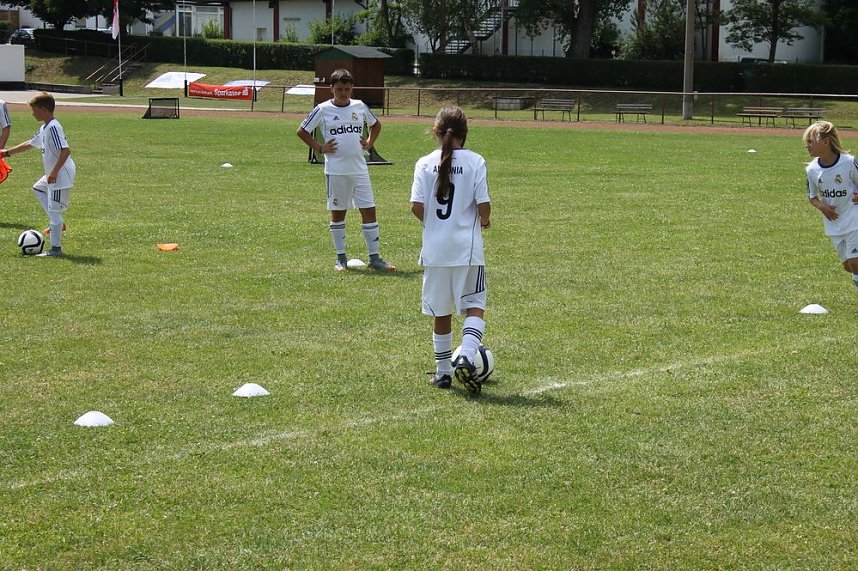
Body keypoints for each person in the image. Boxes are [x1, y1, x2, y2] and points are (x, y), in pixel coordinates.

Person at [410, 107, 491, 393]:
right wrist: (485, 220)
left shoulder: (423, 163)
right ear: (464, 132)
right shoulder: (475, 161)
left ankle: (443, 373)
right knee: (474, 304)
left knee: (441, 312)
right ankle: (468, 354)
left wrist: (434, 226)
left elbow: (416, 207)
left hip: (435, 250)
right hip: (466, 250)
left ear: (436, 131)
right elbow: (483, 205)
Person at [296, 69, 394, 272]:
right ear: (331, 88)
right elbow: (302, 130)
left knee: (369, 210)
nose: (343, 93)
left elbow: (376, 125)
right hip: (336, 171)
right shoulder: (322, 109)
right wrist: (320, 148)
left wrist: (369, 142)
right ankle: (341, 259)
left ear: (352, 88)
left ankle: (375, 258)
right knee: (339, 213)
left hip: (360, 170)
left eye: (347, 89)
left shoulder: (359, 106)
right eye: (339, 89)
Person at [1, 92, 76, 257]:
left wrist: (55, 172)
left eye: (34, 110)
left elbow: (65, 150)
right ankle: (56, 224)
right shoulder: (45, 127)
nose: (32, 113)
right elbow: (30, 143)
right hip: (54, 174)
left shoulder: (54, 127)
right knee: (38, 188)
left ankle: (55, 249)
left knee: (55, 214)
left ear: (43, 109)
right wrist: (6, 153)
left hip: (60, 176)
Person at [803, 120, 858, 297]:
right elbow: (812, 196)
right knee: (848, 267)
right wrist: (822, 207)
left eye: (811, 141)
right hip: (834, 224)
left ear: (825, 142)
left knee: (856, 263)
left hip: (854, 219)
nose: (807, 145)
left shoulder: (849, 163)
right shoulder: (812, 169)